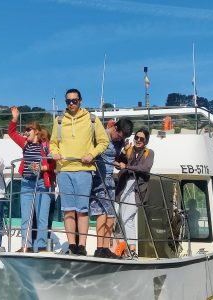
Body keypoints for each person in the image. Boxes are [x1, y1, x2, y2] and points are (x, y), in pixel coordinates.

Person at [50, 88, 109, 256]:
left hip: (84, 170)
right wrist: (54, 152)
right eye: (68, 101)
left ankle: (82, 246)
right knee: (68, 209)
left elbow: (104, 141)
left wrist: (92, 154)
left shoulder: (91, 119)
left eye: (74, 101)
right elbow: (53, 142)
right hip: (64, 169)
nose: (71, 104)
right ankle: (72, 245)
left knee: (82, 210)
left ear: (80, 101)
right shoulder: (59, 120)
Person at [8, 106, 55, 252]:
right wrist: (15, 118)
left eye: (28, 130)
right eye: (26, 130)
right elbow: (11, 132)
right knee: (26, 217)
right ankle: (26, 246)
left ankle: (41, 246)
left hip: (42, 182)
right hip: (27, 183)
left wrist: (42, 168)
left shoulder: (45, 146)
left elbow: (54, 164)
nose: (26, 132)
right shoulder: (25, 143)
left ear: (36, 131)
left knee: (42, 216)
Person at [90, 118, 133, 258]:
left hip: (109, 179)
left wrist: (121, 159)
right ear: (114, 128)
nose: (120, 139)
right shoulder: (101, 136)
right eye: (119, 135)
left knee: (111, 214)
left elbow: (115, 158)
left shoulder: (120, 142)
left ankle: (104, 247)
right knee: (103, 212)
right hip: (98, 177)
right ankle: (100, 248)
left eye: (123, 138)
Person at [116, 128, 154, 259]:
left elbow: (145, 168)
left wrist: (127, 167)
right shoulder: (129, 150)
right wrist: (125, 151)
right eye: (137, 137)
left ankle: (132, 250)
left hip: (138, 188)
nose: (138, 140)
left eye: (141, 139)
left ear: (146, 141)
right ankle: (128, 249)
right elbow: (118, 163)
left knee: (128, 217)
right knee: (122, 217)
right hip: (124, 186)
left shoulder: (149, 153)